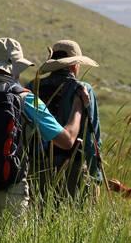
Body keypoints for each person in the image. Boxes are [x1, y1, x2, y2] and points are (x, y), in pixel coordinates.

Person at [0, 37, 89, 221]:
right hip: (12, 192)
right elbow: (67, 141)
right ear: (16, 67)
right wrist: (78, 105)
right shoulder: (27, 99)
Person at [29, 40, 103, 199]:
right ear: (75, 65)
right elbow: (92, 137)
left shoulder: (32, 87)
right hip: (72, 169)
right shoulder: (82, 89)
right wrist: (95, 177)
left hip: (35, 168)